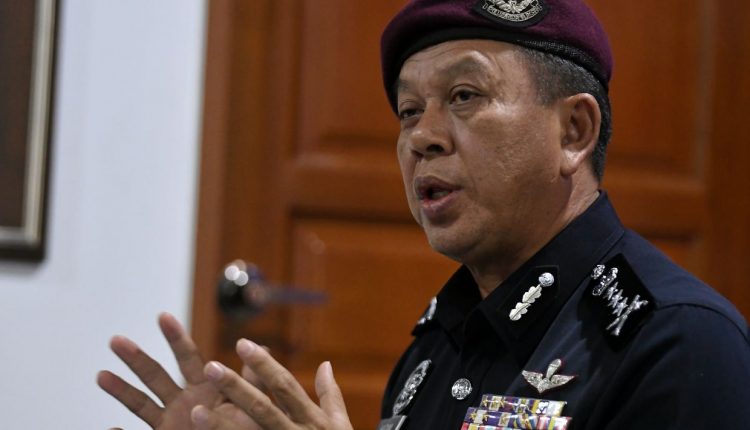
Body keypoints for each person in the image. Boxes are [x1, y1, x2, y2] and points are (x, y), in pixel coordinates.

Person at [99, 0, 750, 429]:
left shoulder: (677, 342)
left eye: (464, 96)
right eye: (409, 110)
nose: (422, 137)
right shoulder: (435, 348)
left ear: (574, 131)